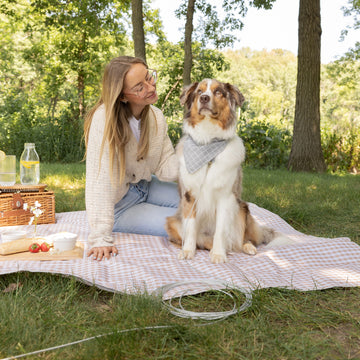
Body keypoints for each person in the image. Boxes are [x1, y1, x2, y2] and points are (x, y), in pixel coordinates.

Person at [84, 56, 179, 261]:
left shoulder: (156, 116)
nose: (150, 87)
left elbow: (166, 166)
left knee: (203, 205)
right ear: (122, 96)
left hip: (146, 186)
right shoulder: (104, 120)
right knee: (189, 227)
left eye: (148, 77)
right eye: (139, 87)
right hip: (122, 205)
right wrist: (100, 237)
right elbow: (99, 181)